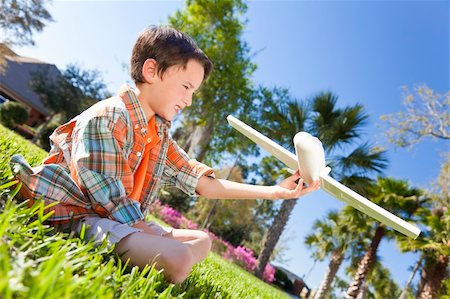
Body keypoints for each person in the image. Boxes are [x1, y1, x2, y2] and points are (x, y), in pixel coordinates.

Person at [10, 26, 320, 283]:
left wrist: (276, 192)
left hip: (119, 223)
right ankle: (156, 256)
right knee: (180, 257)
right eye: (186, 87)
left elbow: (202, 182)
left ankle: (150, 251)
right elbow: (110, 200)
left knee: (203, 241)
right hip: (80, 218)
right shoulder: (109, 116)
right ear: (151, 70)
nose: (188, 100)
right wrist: (154, 235)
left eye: (193, 92)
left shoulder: (157, 133)